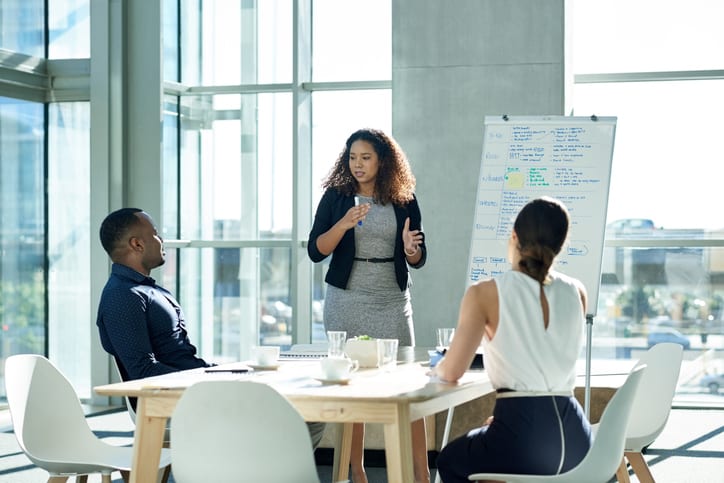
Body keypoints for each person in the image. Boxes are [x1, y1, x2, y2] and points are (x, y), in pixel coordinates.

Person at [96, 207, 326, 448]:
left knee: (305, 405)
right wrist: (208, 379)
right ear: (137, 244)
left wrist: (221, 373)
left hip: (196, 387)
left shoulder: (144, 289)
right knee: (299, 414)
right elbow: (142, 371)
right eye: (155, 234)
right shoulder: (122, 296)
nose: (161, 239)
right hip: (180, 399)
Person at [432, 197, 593, 482]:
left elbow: (452, 372)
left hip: (525, 439)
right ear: (559, 245)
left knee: (451, 460)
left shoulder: (484, 293)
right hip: (578, 440)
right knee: (489, 441)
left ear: (514, 236)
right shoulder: (577, 291)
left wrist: (435, 368)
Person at [307, 128, 429, 483]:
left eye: (365, 157)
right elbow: (316, 251)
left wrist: (410, 249)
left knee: (409, 385)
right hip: (346, 299)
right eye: (352, 157)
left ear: (382, 160)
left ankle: (421, 474)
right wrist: (343, 225)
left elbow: (419, 257)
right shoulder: (336, 197)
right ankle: (355, 472)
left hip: (391, 298)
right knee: (353, 386)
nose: (357, 164)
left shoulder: (404, 198)